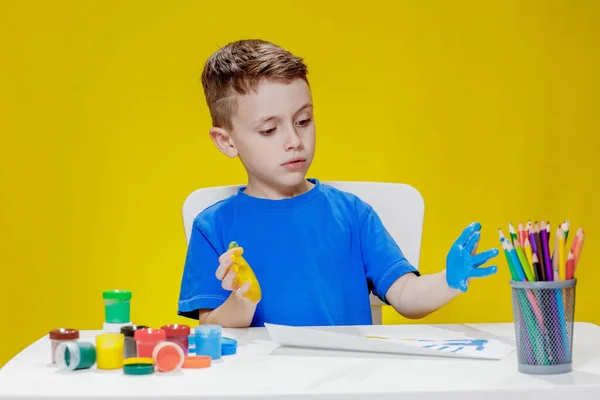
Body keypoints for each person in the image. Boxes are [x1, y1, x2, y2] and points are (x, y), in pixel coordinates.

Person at [177, 39, 499, 328]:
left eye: (303, 121)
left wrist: (448, 280)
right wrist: (243, 300)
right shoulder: (213, 226)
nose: (294, 140)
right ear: (226, 141)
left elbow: (404, 294)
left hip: (349, 379)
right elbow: (211, 327)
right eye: (269, 130)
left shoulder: (352, 214)